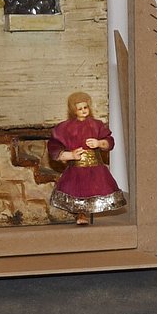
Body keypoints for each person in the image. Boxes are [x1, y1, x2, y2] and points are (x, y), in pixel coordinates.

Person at [47, 91, 125, 223]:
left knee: (96, 189)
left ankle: (90, 211)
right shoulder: (66, 128)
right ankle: (81, 215)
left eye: (85, 107)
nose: (83, 110)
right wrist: (71, 155)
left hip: (96, 167)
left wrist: (99, 143)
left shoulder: (97, 125)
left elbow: (109, 141)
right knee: (78, 192)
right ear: (73, 110)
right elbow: (54, 147)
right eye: (80, 108)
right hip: (77, 168)